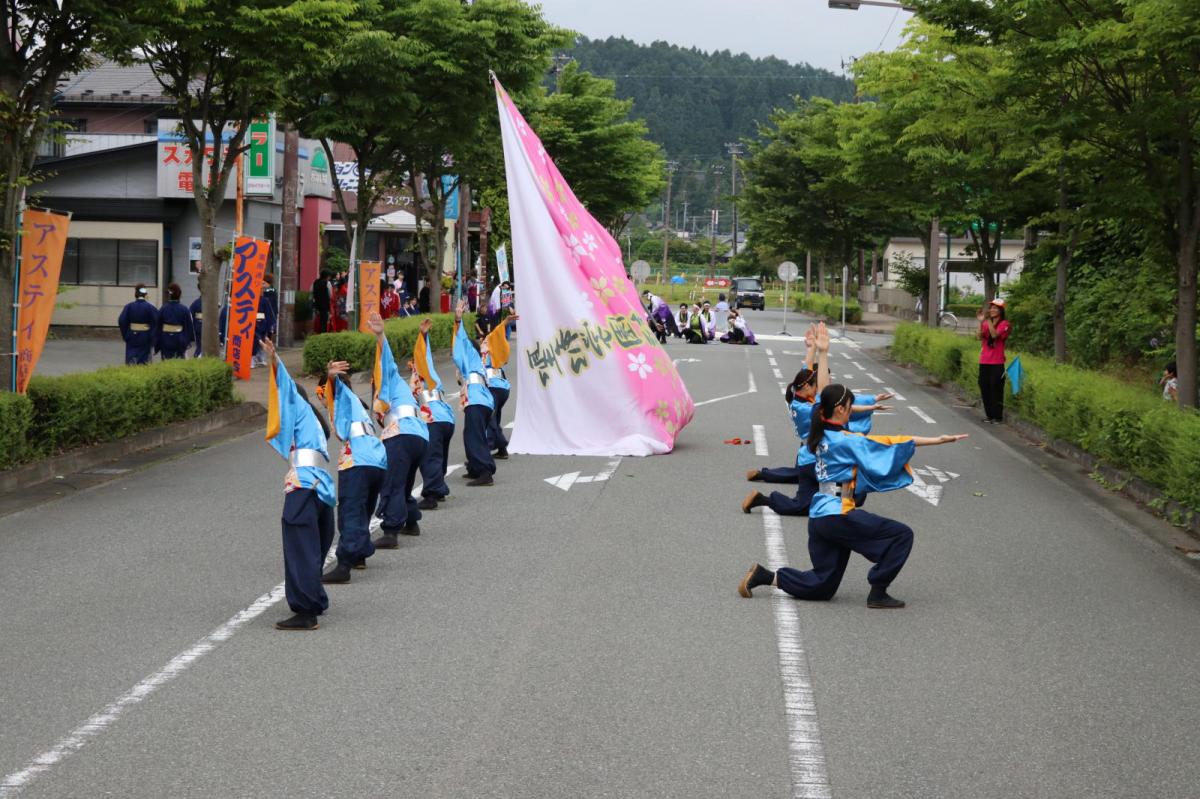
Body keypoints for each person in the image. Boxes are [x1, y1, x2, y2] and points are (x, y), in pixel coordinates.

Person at [738, 384, 967, 608]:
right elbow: (891, 442)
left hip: (819, 516)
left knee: (823, 585)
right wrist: (937, 440)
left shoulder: (820, 434)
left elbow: (825, 396)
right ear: (840, 409)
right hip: (838, 514)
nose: (852, 409)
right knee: (901, 535)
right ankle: (878, 591)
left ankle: (764, 576)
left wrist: (823, 352)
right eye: (850, 405)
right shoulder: (847, 440)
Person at [259, 336, 336, 631]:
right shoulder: (314, 423)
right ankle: (315, 596)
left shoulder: (297, 406)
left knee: (299, 544)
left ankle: (306, 610)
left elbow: (287, 388)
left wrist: (274, 361)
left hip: (303, 482)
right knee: (315, 544)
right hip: (321, 485)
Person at [316, 359, 387, 585]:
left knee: (350, 510)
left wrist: (331, 377)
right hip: (376, 456)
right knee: (364, 509)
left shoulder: (341, 396)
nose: (321, 401)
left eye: (321, 395)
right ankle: (360, 554)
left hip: (358, 458)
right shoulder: (356, 404)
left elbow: (336, 391)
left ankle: (344, 564)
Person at [366, 313, 428, 549]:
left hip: (402, 433)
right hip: (419, 434)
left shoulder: (390, 378)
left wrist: (380, 335)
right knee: (403, 482)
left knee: (392, 482)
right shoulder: (398, 388)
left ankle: (391, 531)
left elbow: (387, 360)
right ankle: (411, 521)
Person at [413, 318, 457, 511]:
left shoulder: (422, 374)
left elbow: (423, 355)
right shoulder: (431, 374)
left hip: (432, 418)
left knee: (430, 458)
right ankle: (439, 487)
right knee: (439, 456)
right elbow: (426, 356)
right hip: (446, 417)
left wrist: (423, 335)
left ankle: (432, 494)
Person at [453, 298, 497, 486]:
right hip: (482, 399)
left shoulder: (471, 353)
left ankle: (485, 471)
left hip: (477, 399)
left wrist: (458, 319)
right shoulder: (475, 361)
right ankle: (475, 467)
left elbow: (461, 339)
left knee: (474, 435)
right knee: (470, 433)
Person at [483, 313, 518, 459]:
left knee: (489, 418)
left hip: (493, 386)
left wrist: (504, 323)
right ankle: (500, 449)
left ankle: (494, 445)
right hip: (501, 387)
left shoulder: (487, 348)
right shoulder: (490, 352)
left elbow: (494, 334)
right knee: (494, 417)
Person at [977, 298, 1010, 423]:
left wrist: (988, 321)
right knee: (984, 386)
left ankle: (998, 416)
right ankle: (989, 415)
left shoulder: (1005, 324)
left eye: (995, 308)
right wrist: (981, 323)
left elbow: (995, 335)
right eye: (991, 307)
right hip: (984, 360)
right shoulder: (986, 323)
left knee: (995, 388)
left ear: (1001, 310)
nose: (992, 310)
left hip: (997, 362)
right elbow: (980, 336)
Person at [118, 284, 158, 365]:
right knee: (144, 359)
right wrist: (152, 336)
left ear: (136, 293)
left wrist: (126, 335)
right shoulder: (150, 307)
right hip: (145, 336)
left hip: (132, 335)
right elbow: (156, 322)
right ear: (145, 294)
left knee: (131, 357)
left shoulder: (129, 307)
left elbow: (122, 320)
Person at [156, 282, 194, 360]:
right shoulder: (184, 309)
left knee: (166, 361)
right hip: (179, 339)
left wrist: (157, 342)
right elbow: (189, 327)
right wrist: (186, 341)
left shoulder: (163, 309)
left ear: (169, 295)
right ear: (179, 294)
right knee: (178, 361)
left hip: (165, 339)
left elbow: (158, 327)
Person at [251, 276, 278, 368]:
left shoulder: (266, 298)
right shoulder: (251, 300)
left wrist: (271, 323)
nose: (262, 289)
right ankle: (256, 358)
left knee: (262, 339)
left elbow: (270, 312)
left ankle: (260, 358)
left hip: (264, 322)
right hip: (257, 322)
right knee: (257, 341)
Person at [311, 269, 333, 334]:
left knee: (317, 319)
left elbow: (311, 292)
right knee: (324, 320)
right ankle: (323, 333)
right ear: (327, 276)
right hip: (325, 304)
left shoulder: (315, 282)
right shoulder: (327, 283)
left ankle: (317, 332)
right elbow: (330, 294)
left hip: (317, 304)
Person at [189, 278, 204, 357]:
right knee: (202, 346)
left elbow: (190, 314)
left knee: (199, 345)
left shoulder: (195, 303)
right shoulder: (211, 303)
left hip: (198, 325)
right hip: (205, 327)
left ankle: (197, 355)